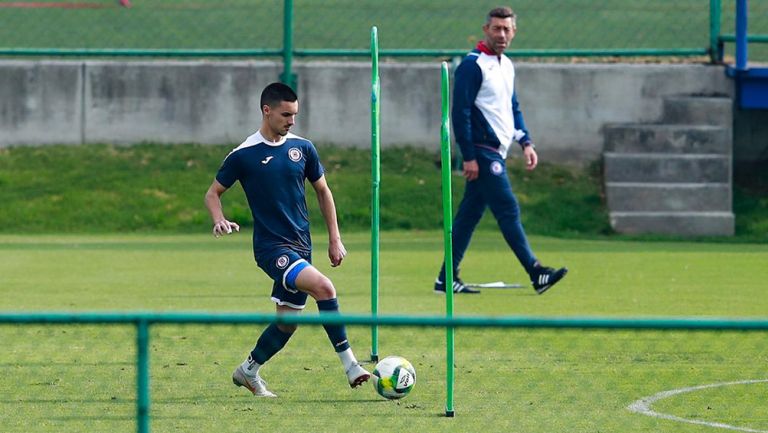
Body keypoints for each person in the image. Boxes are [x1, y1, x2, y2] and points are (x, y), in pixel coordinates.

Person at [204, 82, 370, 397]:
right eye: (285, 114)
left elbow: (323, 191)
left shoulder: (303, 148)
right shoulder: (244, 155)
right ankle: (351, 365)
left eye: (294, 114)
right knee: (325, 288)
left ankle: (248, 371)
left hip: (301, 247)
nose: (291, 121)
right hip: (271, 249)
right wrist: (219, 219)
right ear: (266, 110)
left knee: (287, 324)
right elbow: (213, 193)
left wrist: (335, 238)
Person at [434, 6, 567, 295]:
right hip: (483, 152)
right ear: (486, 30)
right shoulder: (473, 65)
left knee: (468, 216)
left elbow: (512, 108)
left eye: (507, 29)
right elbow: (461, 113)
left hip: (498, 151)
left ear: (514, 32)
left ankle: (446, 279)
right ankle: (536, 272)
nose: (502, 34)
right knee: (508, 208)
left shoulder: (506, 64)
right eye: (497, 28)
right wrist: (468, 155)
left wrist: (526, 142)